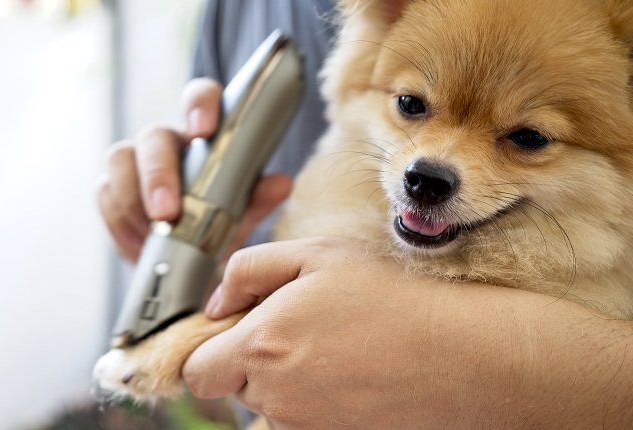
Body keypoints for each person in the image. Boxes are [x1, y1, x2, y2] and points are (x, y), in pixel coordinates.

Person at [98, 0, 633, 428]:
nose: (434, 162)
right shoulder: (242, 10)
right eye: (412, 105)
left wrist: (566, 376)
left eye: (528, 137)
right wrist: (202, 248)